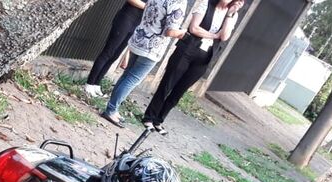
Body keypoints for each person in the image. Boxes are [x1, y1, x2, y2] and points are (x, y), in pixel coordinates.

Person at [143, 0, 243, 134]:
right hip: (187, 50)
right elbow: (194, 28)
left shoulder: (232, 14)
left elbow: (224, 36)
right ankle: (149, 117)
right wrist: (214, 36)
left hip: (205, 57)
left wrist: (230, 15)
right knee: (167, 84)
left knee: (179, 91)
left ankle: (159, 120)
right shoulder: (206, 4)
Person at [100, 0, 188, 128]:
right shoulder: (179, 2)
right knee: (132, 79)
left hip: (139, 38)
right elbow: (170, 31)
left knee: (127, 76)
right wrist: (182, 32)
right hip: (152, 47)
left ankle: (112, 108)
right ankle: (111, 110)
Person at [84, 0, 148, 98]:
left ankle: (96, 84)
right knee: (108, 52)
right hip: (126, 18)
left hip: (136, 24)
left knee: (115, 56)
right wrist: (147, 6)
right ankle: (89, 84)